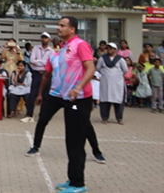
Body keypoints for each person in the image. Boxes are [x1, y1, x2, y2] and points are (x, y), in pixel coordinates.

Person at [27, 17, 98, 193]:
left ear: (72, 29)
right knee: (70, 139)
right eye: (58, 25)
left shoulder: (80, 45)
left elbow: (90, 68)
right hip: (66, 98)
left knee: (76, 141)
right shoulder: (64, 47)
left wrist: (78, 87)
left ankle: (78, 184)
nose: (58, 28)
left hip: (79, 99)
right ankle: (72, 178)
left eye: (62, 26)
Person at [97, 42, 128, 123]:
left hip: (117, 84)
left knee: (118, 100)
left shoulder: (120, 59)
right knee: (105, 101)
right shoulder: (102, 58)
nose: (110, 50)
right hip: (106, 83)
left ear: (115, 50)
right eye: (108, 48)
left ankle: (119, 118)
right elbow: (98, 68)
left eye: (111, 48)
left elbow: (125, 70)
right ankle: (105, 118)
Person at [26, 31, 54, 123]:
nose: (44, 39)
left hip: (46, 74)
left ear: (49, 40)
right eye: (42, 37)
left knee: (46, 95)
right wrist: (42, 62)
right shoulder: (36, 48)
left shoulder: (51, 51)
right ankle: (30, 114)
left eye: (45, 38)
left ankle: (42, 115)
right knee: (33, 94)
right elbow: (32, 60)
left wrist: (38, 62)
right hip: (36, 73)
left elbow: (49, 63)